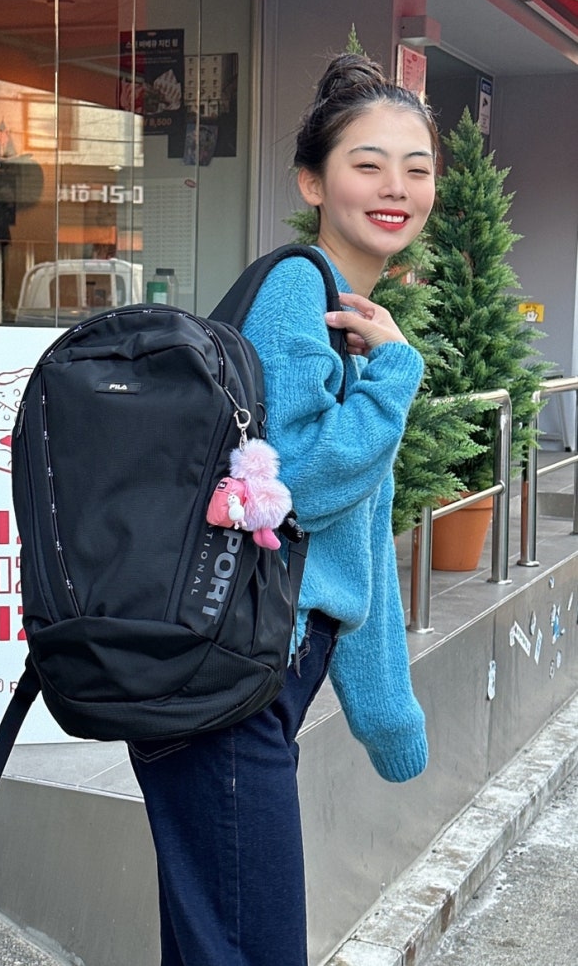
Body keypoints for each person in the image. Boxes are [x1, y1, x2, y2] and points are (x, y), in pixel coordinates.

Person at [128, 52, 439, 966]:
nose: (395, 187)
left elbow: (355, 543)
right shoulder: (297, 291)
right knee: (252, 947)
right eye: (366, 163)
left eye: (416, 167)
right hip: (230, 665)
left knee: (218, 941)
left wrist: (387, 714)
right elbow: (300, 479)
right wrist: (397, 372)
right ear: (312, 181)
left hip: (249, 663)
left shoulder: (344, 313)